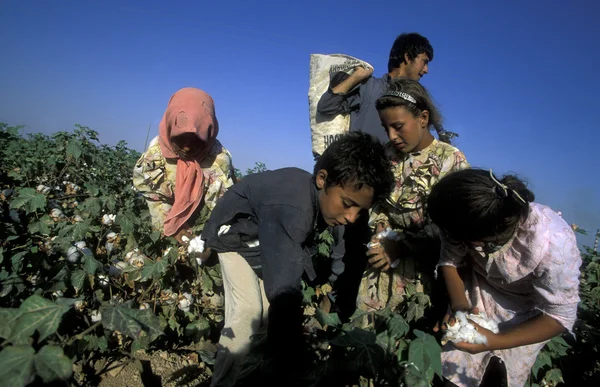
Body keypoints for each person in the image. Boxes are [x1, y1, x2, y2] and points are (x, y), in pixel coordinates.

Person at [200, 131, 394, 387]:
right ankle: (222, 382)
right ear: (322, 179)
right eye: (348, 204)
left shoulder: (325, 202)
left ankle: (248, 374)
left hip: (259, 238)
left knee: (267, 317)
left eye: (360, 211)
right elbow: (283, 289)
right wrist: (295, 362)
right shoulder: (295, 208)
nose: (351, 217)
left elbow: (334, 251)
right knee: (248, 312)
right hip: (233, 237)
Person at [427, 168, 582, 387]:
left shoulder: (555, 245)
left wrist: (495, 341)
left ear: (482, 237)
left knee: (498, 376)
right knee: (454, 373)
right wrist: (459, 307)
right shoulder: (460, 218)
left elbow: (560, 317)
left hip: (528, 316)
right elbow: (450, 262)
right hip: (477, 293)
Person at [356, 78, 470, 317]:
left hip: (421, 274)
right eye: (386, 128)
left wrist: (403, 245)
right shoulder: (387, 155)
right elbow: (376, 200)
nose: (392, 135)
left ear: (423, 118)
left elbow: (454, 232)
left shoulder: (451, 160)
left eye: (398, 126)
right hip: (380, 264)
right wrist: (381, 228)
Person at [133, 87, 235, 245]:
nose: (187, 148)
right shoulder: (155, 157)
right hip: (167, 227)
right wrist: (174, 227)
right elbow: (155, 199)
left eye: (197, 141)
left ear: (209, 135)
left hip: (206, 233)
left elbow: (223, 207)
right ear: (169, 128)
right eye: (180, 139)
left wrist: (210, 238)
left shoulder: (218, 159)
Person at [316, 32, 440, 145]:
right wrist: (355, 77)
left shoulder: (418, 100)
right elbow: (326, 106)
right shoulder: (370, 87)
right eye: (424, 62)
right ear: (407, 57)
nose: (426, 70)